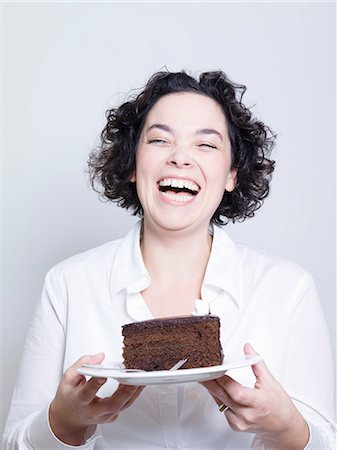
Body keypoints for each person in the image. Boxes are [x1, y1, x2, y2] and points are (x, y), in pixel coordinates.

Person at [3, 70, 336, 449]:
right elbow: (14, 442)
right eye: (160, 140)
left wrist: (285, 426)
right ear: (132, 164)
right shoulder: (68, 283)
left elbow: (324, 440)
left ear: (232, 173)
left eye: (206, 145)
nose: (180, 158)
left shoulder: (288, 288)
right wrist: (62, 422)